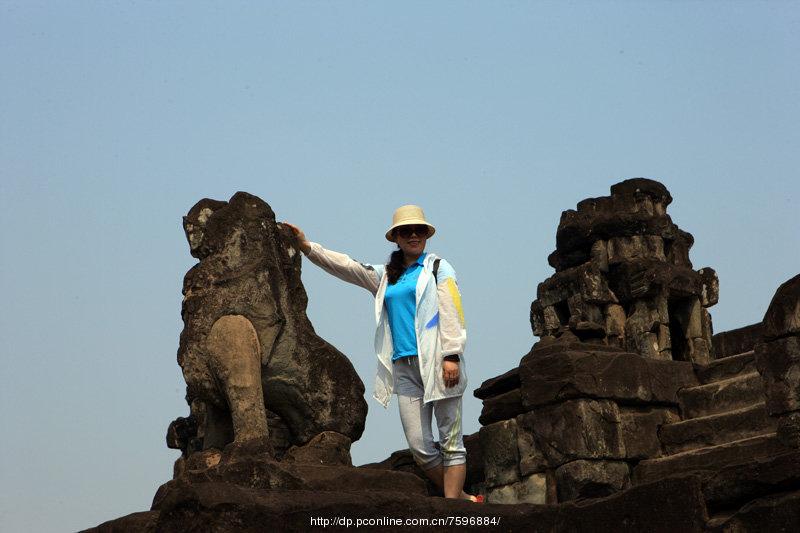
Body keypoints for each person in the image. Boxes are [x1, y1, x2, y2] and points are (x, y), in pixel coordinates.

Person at [284, 205, 481, 502]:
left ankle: (453, 509)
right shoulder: (386, 276)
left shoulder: (439, 268)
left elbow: (451, 309)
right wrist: (306, 246)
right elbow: (348, 267)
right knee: (420, 447)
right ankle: (461, 498)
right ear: (396, 238)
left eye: (418, 230)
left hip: (438, 362)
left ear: (426, 235)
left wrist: (451, 354)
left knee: (451, 441)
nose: (413, 235)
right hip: (404, 367)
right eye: (405, 231)